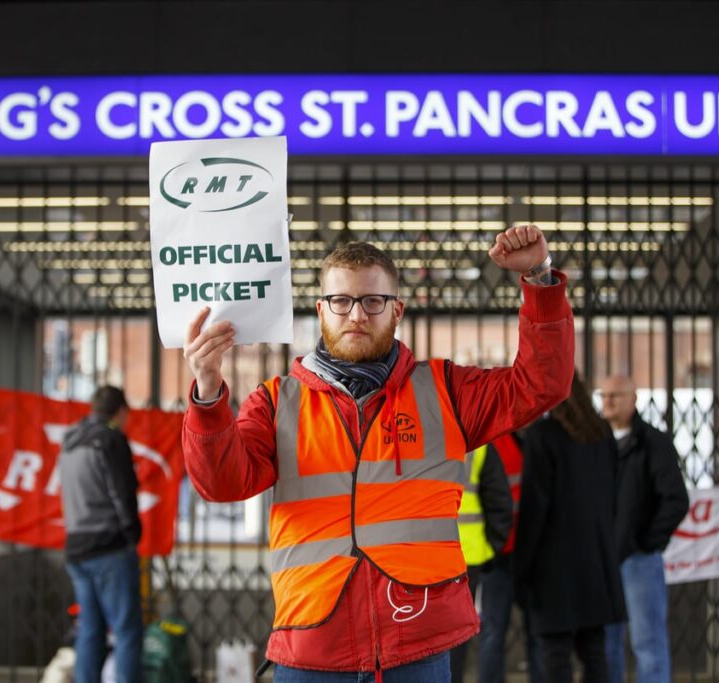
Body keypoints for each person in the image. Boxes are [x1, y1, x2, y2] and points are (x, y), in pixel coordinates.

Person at [182, 225, 574, 682]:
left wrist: (540, 279)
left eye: (373, 301)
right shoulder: (276, 402)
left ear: (397, 310)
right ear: (321, 310)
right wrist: (208, 394)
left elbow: (541, 384)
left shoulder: (445, 392)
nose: (356, 315)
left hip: (416, 641)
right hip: (312, 641)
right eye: (341, 301)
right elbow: (222, 483)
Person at [515, 371, 626, 683]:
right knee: (595, 654)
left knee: (555, 659)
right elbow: (612, 500)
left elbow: (534, 510)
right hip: (596, 565)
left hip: (553, 571)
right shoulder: (602, 434)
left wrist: (521, 570)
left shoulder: (543, 436)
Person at [599, 375, 689, 683]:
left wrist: (647, 540)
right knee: (604, 646)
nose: (608, 401)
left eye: (615, 395)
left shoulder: (653, 442)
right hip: (603, 560)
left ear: (633, 399)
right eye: (604, 395)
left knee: (648, 643)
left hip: (639, 560)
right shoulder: (595, 443)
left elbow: (676, 499)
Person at [58, 385, 143, 683]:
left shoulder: (70, 441)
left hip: (76, 548)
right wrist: (132, 533)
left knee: (90, 630)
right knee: (126, 629)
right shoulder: (110, 440)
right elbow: (122, 493)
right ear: (120, 412)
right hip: (109, 546)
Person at [449, 434, 517, 683]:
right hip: (470, 556)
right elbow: (500, 500)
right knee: (458, 636)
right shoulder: (479, 447)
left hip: (425, 557)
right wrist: (493, 548)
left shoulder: (413, 435)